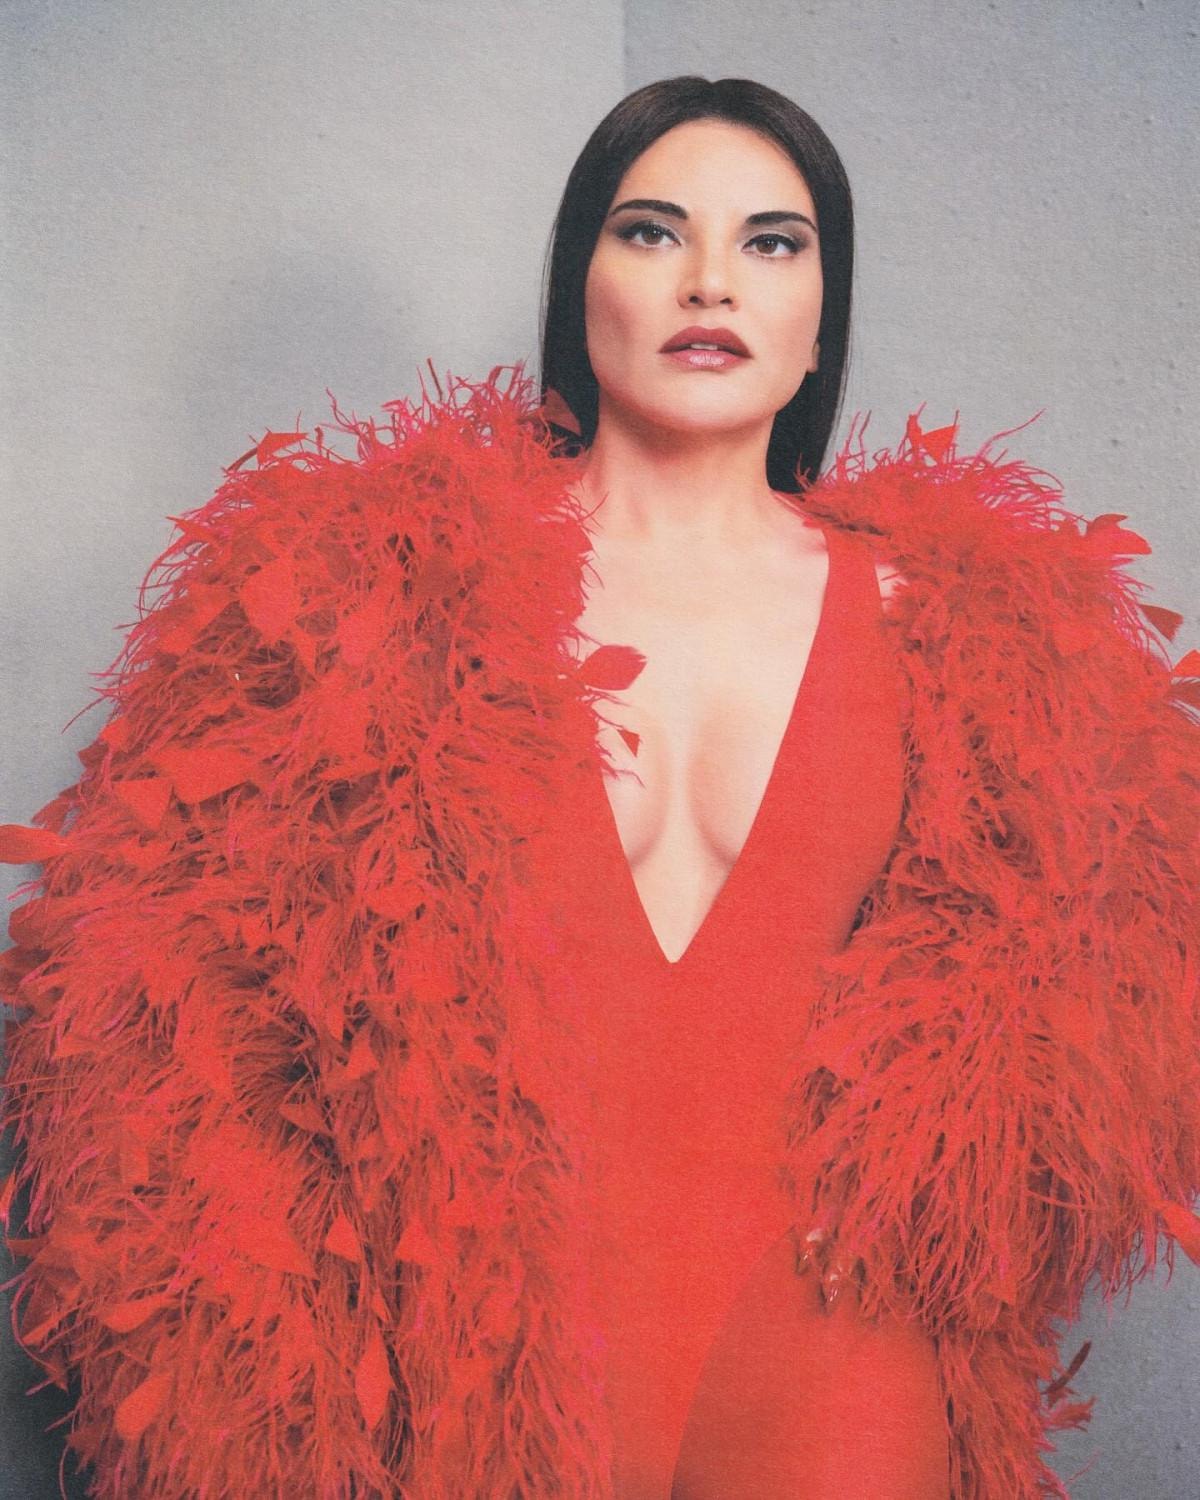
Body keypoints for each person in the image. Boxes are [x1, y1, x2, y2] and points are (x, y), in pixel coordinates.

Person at [1, 75, 1197, 1500]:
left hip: (833, 1346)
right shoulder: (383, 603)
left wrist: (951, 1158)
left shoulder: (955, 630)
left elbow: (1111, 970)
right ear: (580, 285)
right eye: (652, 231)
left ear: (823, 318)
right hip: (458, 1360)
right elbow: (167, 993)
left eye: (771, 242)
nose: (710, 281)